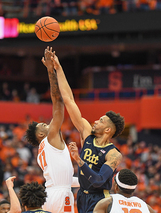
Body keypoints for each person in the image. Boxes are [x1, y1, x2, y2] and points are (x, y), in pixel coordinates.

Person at [51, 50, 125, 213]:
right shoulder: (87, 134)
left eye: (101, 121)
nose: (96, 121)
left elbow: (99, 181)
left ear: (107, 129)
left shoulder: (113, 154)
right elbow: (69, 100)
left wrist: (79, 160)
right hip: (82, 197)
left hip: (100, 199)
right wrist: (59, 69)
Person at [25, 47, 79, 213]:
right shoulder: (50, 139)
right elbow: (58, 103)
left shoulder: (43, 151)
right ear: (41, 134)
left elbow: (65, 178)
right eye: (44, 125)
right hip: (60, 195)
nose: (48, 124)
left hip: (50, 194)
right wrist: (51, 70)